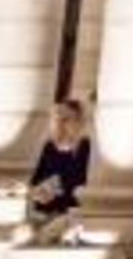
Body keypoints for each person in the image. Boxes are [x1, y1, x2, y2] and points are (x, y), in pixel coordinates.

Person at [21, 98, 91, 246]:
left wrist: (54, 187)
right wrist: (36, 191)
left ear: (78, 121)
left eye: (66, 119)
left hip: (68, 210)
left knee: (45, 238)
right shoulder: (49, 147)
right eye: (57, 118)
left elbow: (80, 181)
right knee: (26, 235)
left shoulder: (85, 147)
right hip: (43, 209)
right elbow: (36, 178)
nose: (61, 123)